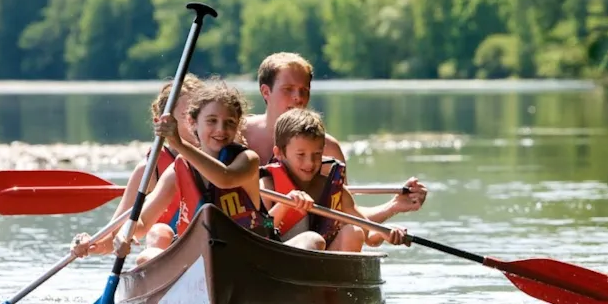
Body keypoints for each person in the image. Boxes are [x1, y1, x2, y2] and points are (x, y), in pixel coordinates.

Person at [77, 78, 272, 266]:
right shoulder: (178, 170)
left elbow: (224, 178)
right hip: (200, 257)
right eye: (212, 121)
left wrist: (178, 143)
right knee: (150, 249)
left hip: (245, 253)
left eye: (229, 122)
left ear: (238, 125)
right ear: (193, 122)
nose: (221, 129)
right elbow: (143, 220)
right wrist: (124, 233)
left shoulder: (247, 160)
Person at [242, 52, 428, 223]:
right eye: (288, 89)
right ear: (266, 92)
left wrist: (394, 206)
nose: (298, 97)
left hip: (301, 240)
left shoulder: (328, 148)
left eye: (304, 90)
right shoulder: (237, 133)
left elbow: (348, 216)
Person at [71, 74, 202, 257]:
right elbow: (114, 235)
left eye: (200, 115)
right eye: (187, 116)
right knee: (159, 232)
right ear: (162, 123)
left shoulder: (218, 157)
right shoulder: (149, 170)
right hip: (168, 251)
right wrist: (90, 244)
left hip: (209, 243)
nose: (196, 123)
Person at [261, 108, 408, 253]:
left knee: (354, 231)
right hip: (279, 256)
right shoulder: (267, 185)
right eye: (301, 155)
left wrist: (386, 233)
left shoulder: (336, 192)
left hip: (322, 264)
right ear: (279, 153)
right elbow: (262, 228)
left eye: (317, 154)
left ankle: (341, 276)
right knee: (312, 239)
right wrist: (283, 204)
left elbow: (369, 235)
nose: (310, 163)